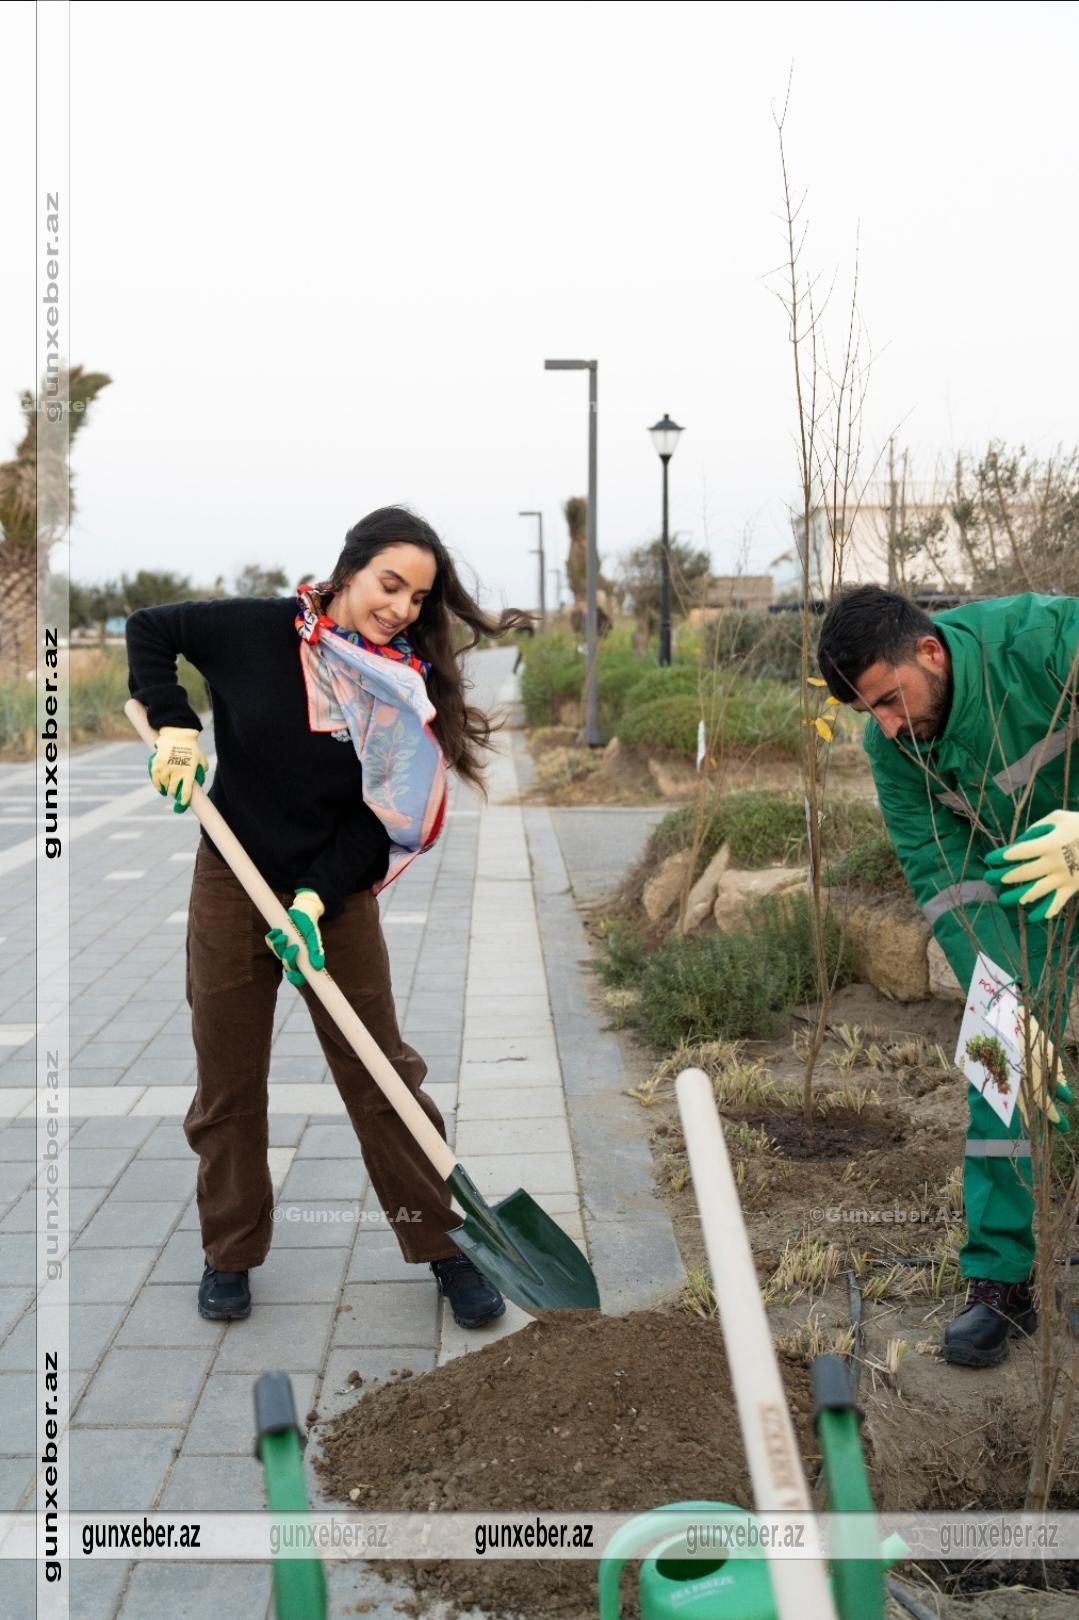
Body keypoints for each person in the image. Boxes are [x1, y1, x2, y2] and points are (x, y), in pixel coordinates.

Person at [125, 506, 530, 1328]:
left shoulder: (397, 686)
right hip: (231, 881)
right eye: (391, 584)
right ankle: (229, 1254)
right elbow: (150, 628)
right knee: (228, 1082)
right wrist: (173, 725)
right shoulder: (255, 631)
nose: (401, 608)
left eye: (418, 597)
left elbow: (375, 821)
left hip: (331, 899)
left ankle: (447, 1248)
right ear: (348, 570)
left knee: (380, 1074)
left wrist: (312, 899)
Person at [817, 585, 1078, 1369]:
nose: (889, 727)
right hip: (1032, 882)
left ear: (928, 651)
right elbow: (942, 871)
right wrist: (997, 998)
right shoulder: (889, 746)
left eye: (892, 701)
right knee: (1000, 1057)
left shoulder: (1050, 639)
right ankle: (1001, 1280)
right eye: (871, 713)